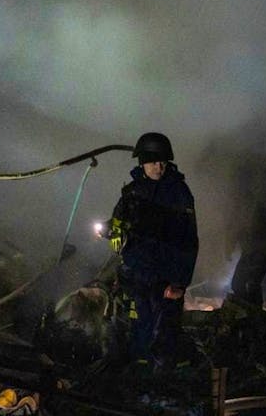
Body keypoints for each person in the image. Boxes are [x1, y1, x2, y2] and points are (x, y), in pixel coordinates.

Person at [97, 132, 198, 370]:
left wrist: (180, 282)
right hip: (137, 275)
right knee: (136, 332)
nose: (159, 167)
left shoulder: (179, 193)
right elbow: (119, 221)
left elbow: (189, 241)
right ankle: (137, 381)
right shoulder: (132, 192)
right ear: (142, 161)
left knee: (164, 336)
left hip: (166, 278)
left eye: (163, 161)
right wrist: (113, 230)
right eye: (153, 161)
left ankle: (162, 386)